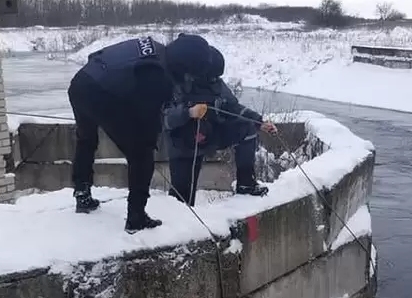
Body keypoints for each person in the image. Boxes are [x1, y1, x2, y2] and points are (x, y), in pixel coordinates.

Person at [68, 34, 213, 233]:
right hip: (100, 93)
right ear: (185, 65)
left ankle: (82, 192)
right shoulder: (158, 75)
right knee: (142, 154)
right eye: (191, 72)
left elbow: (102, 59)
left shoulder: (154, 48)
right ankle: (136, 217)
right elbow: (148, 118)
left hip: (81, 82)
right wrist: (150, 140)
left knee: (86, 139)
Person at [163, 46, 277, 206]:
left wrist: (259, 121)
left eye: (216, 77)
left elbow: (234, 108)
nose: (214, 80)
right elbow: (164, 119)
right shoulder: (176, 83)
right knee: (182, 198)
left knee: (247, 128)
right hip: (183, 143)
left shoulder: (216, 83)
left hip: (211, 133)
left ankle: (246, 184)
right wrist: (188, 113)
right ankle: (180, 223)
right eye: (211, 76)